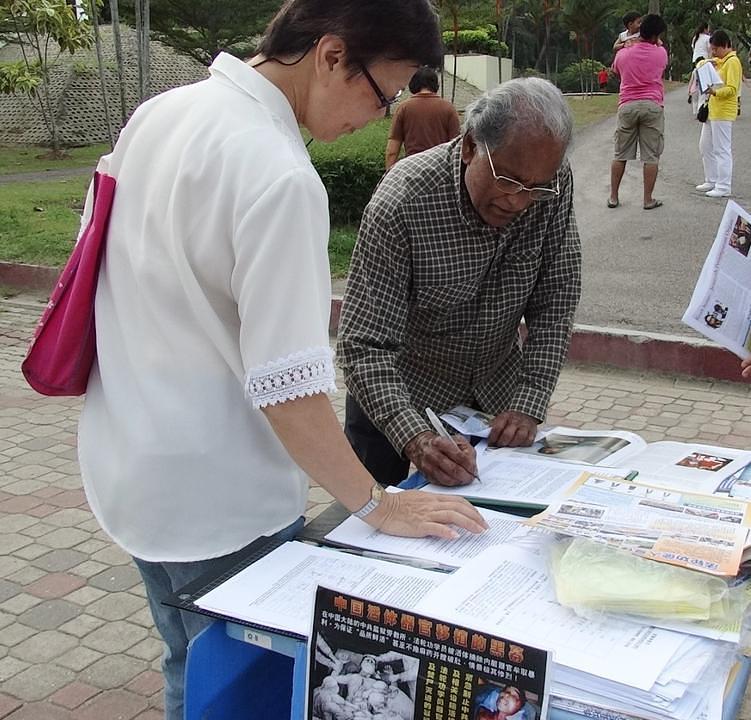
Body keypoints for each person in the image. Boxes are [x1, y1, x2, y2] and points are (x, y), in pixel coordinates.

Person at [75, 1, 488, 718]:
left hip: (128, 464)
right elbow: (288, 389)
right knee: (239, 688)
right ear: (331, 55)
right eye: (380, 90)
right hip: (219, 497)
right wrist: (375, 504)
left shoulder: (160, 114)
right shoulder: (279, 176)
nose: (379, 112)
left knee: (189, 660)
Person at [337, 77, 581, 488]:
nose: (519, 202)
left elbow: (556, 296)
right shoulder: (403, 202)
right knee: (369, 516)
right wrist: (415, 439)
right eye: (508, 181)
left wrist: (530, 401)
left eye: (535, 189)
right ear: (470, 147)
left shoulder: (551, 183)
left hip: (494, 394)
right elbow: (362, 347)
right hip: (396, 396)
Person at [607, 13, 668, 211]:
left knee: (620, 153)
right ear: (655, 36)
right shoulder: (661, 53)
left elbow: (615, 70)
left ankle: (614, 197)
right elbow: (662, 69)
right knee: (651, 156)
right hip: (652, 104)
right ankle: (647, 199)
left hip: (627, 104)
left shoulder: (623, 53)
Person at [695, 29, 743, 198]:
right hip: (712, 111)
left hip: (723, 111)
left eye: (716, 49)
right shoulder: (720, 61)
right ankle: (711, 178)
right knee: (705, 145)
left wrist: (715, 92)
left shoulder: (733, 62)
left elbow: (732, 89)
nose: (714, 52)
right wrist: (709, 61)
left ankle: (724, 185)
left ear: (725, 46)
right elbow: (700, 65)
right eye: (712, 49)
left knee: (722, 149)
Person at [385, 66, 461, 169]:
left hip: (412, 169)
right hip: (440, 171)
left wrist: (389, 175)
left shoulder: (404, 108)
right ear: (435, 85)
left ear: (413, 84)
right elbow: (457, 148)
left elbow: (392, 151)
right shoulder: (449, 108)